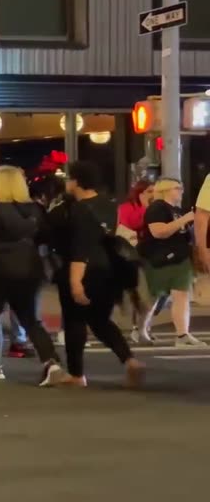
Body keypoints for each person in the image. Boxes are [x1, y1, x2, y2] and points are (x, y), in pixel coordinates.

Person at [0, 166, 65, 383]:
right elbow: (46, 238)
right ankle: (52, 362)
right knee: (31, 319)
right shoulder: (35, 210)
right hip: (29, 269)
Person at [53, 161, 143, 388]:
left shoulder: (80, 209)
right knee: (101, 320)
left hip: (85, 269)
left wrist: (75, 281)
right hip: (108, 270)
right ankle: (129, 359)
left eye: (69, 178)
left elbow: (81, 247)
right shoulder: (108, 204)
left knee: (74, 321)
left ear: (77, 181)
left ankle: (76, 374)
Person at [139, 178, 201, 347]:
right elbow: (158, 232)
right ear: (165, 190)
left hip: (180, 259)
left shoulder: (177, 210)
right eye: (177, 188)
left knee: (181, 295)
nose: (181, 190)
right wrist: (186, 219)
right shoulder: (157, 208)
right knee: (154, 298)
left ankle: (182, 335)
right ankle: (141, 329)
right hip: (160, 259)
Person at [118, 180, 159, 343]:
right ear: (140, 193)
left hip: (150, 255)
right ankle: (138, 328)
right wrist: (145, 208)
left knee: (154, 294)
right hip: (131, 255)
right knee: (138, 293)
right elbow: (129, 225)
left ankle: (143, 326)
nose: (153, 194)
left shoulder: (157, 208)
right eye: (149, 191)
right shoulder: (127, 208)